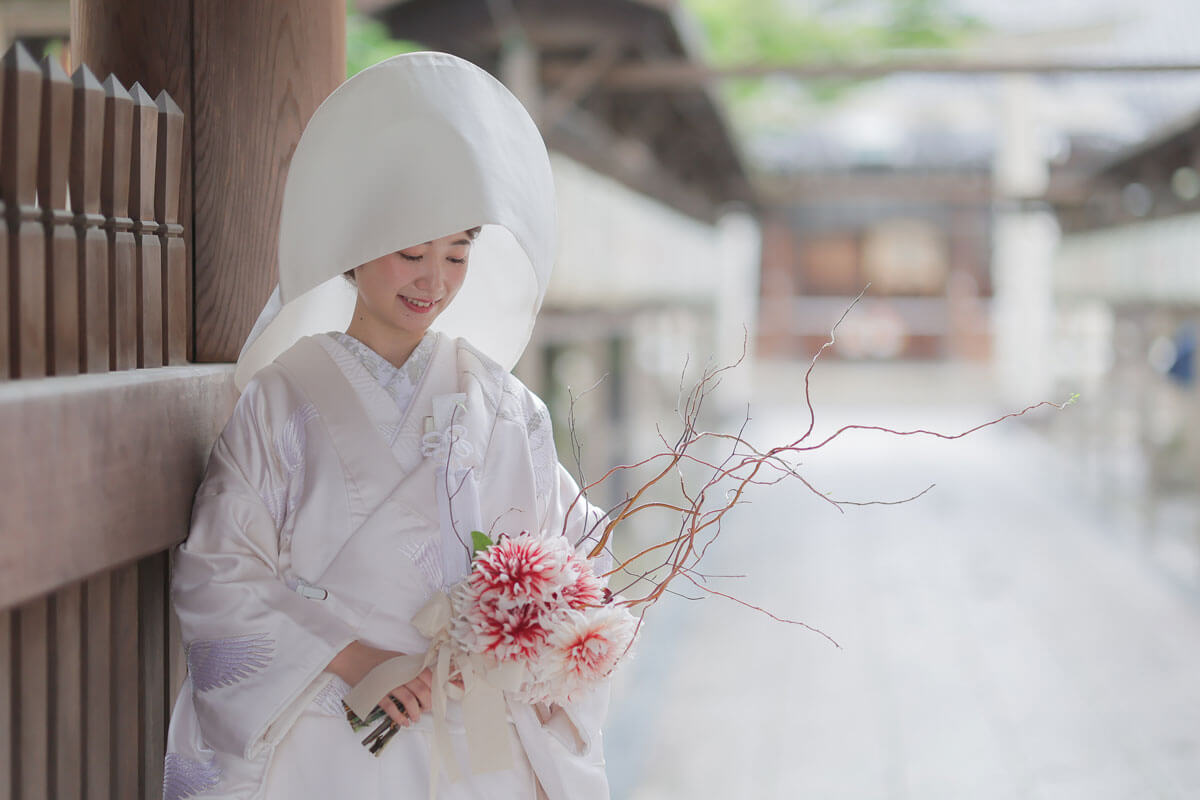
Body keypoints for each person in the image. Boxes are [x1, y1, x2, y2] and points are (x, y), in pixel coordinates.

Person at [162, 52, 611, 800]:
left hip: (472, 723)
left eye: (457, 254)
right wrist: (351, 655)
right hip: (323, 725)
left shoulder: (502, 404)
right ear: (353, 249)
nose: (434, 281)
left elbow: (571, 553)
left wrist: (516, 636)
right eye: (411, 255)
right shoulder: (281, 399)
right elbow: (218, 574)